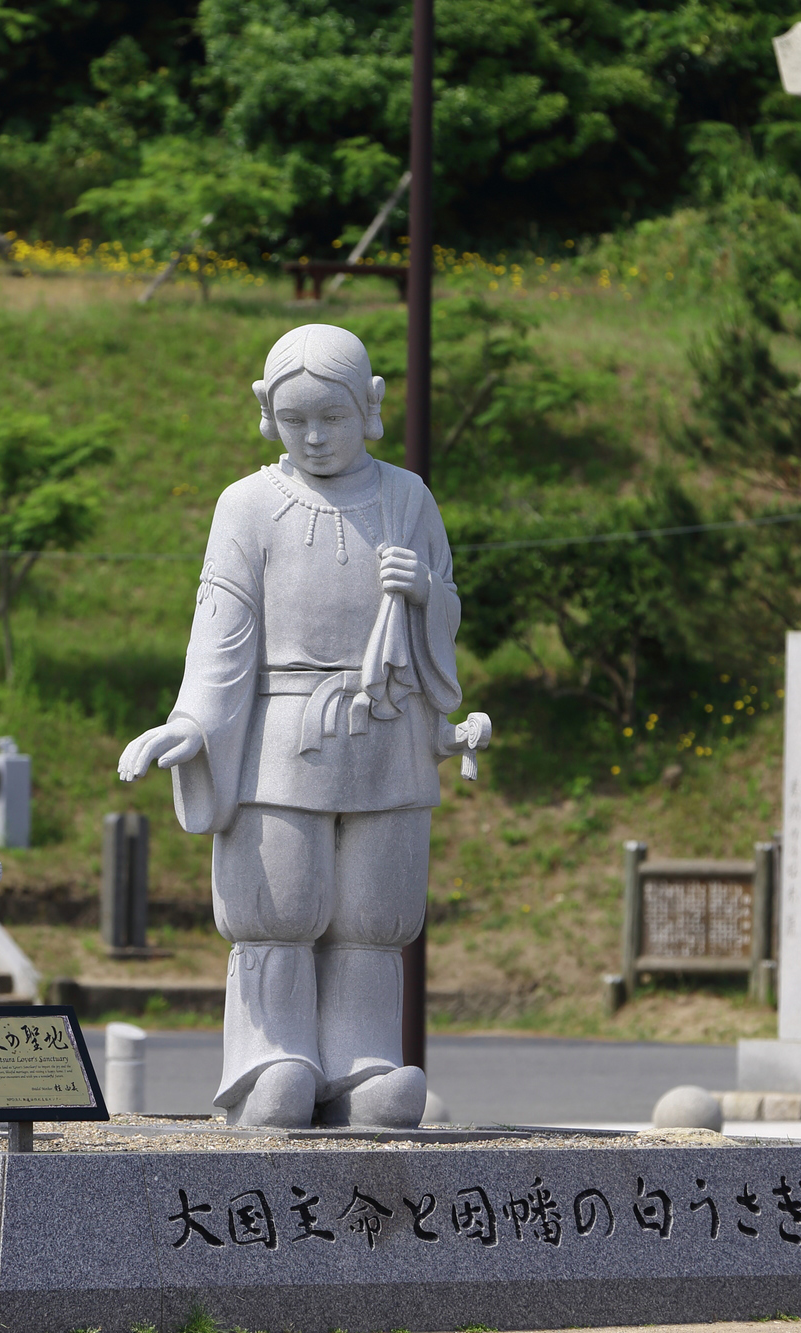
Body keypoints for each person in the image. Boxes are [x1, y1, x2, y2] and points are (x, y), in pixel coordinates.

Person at [118, 323, 489, 1128]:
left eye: (334, 417)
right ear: (266, 413)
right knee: (277, 906)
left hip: (384, 725)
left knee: (371, 915)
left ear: (371, 408)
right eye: (297, 419)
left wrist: (426, 593)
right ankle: (268, 1058)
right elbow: (223, 627)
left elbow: (449, 616)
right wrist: (192, 721)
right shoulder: (248, 504)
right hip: (280, 730)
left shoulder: (407, 498)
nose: (316, 436)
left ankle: (361, 1060)